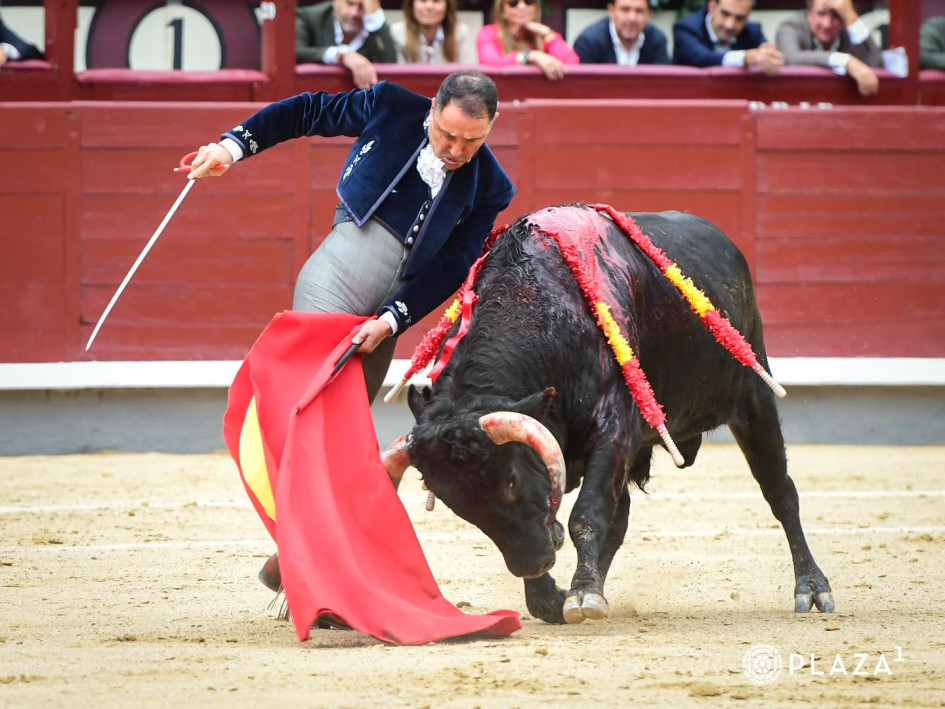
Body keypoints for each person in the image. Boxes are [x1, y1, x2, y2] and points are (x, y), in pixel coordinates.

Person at [186, 71, 514, 593]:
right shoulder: (391, 106)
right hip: (335, 279)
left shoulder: (491, 185)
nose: (455, 149)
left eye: (471, 140)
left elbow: (454, 263)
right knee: (313, 419)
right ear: (433, 108)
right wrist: (233, 146)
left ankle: (301, 558)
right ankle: (307, 560)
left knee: (344, 436)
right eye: (447, 134)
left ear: (492, 125)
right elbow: (306, 111)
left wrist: (392, 321)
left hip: (383, 316)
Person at [776, 0, 883, 97]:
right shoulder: (791, 27)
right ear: (808, 13)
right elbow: (790, 56)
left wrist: (851, 17)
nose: (827, 24)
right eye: (821, 14)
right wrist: (845, 61)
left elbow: (876, 63)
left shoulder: (847, 30)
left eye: (836, 15)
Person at [296, 0, 397, 89]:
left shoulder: (375, 28)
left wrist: (374, 18)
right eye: (350, 3)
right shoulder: (310, 17)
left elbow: (390, 66)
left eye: (362, 6)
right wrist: (341, 55)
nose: (354, 13)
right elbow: (295, 52)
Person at [672, 0, 783, 76]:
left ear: (748, 16)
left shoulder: (752, 32)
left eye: (740, 18)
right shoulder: (686, 28)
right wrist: (745, 58)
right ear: (712, 7)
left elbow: (765, 56)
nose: (730, 25)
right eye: (725, 14)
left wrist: (770, 58)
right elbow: (702, 59)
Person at [476, 0, 580, 82]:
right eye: (513, 2)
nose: (522, 6)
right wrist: (530, 56)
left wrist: (547, 33)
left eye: (529, 1)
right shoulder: (488, 33)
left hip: (539, 96)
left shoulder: (544, 35)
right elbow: (490, 64)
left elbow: (572, 63)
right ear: (502, 10)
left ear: (536, 8)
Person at [573, 0, 670, 66]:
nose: (632, 18)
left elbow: (663, 86)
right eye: (625, 9)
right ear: (611, 11)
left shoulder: (657, 41)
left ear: (649, 14)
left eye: (639, 11)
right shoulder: (589, 42)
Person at [390, 0, 476, 64]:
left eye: (436, 1)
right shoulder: (397, 32)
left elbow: (470, 77)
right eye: (423, 1)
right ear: (412, 5)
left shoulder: (461, 33)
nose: (429, 7)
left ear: (447, 6)